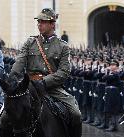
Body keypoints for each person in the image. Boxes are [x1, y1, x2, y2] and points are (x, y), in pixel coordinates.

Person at [10, 8, 82, 137]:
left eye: (43, 22)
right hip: (29, 87)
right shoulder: (30, 43)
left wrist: (44, 82)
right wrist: (12, 80)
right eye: (39, 22)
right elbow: (19, 63)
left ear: (52, 24)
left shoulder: (62, 46)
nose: (39, 25)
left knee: (76, 114)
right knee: (5, 116)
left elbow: (64, 72)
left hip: (52, 88)